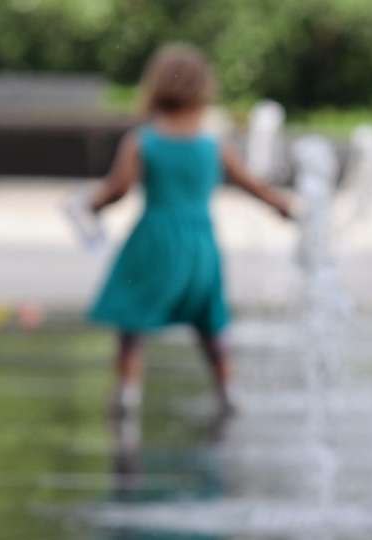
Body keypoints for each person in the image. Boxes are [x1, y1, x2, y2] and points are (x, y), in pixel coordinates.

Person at [88, 43, 292, 416]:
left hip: (154, 240)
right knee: (209, 319)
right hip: (201, 244)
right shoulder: (213, 143)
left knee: (133, 319)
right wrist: (281, 205)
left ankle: (128, 392)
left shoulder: (143, 140)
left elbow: (118, 189)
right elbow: (252, 184)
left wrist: (91, 204)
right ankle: (227, 389)